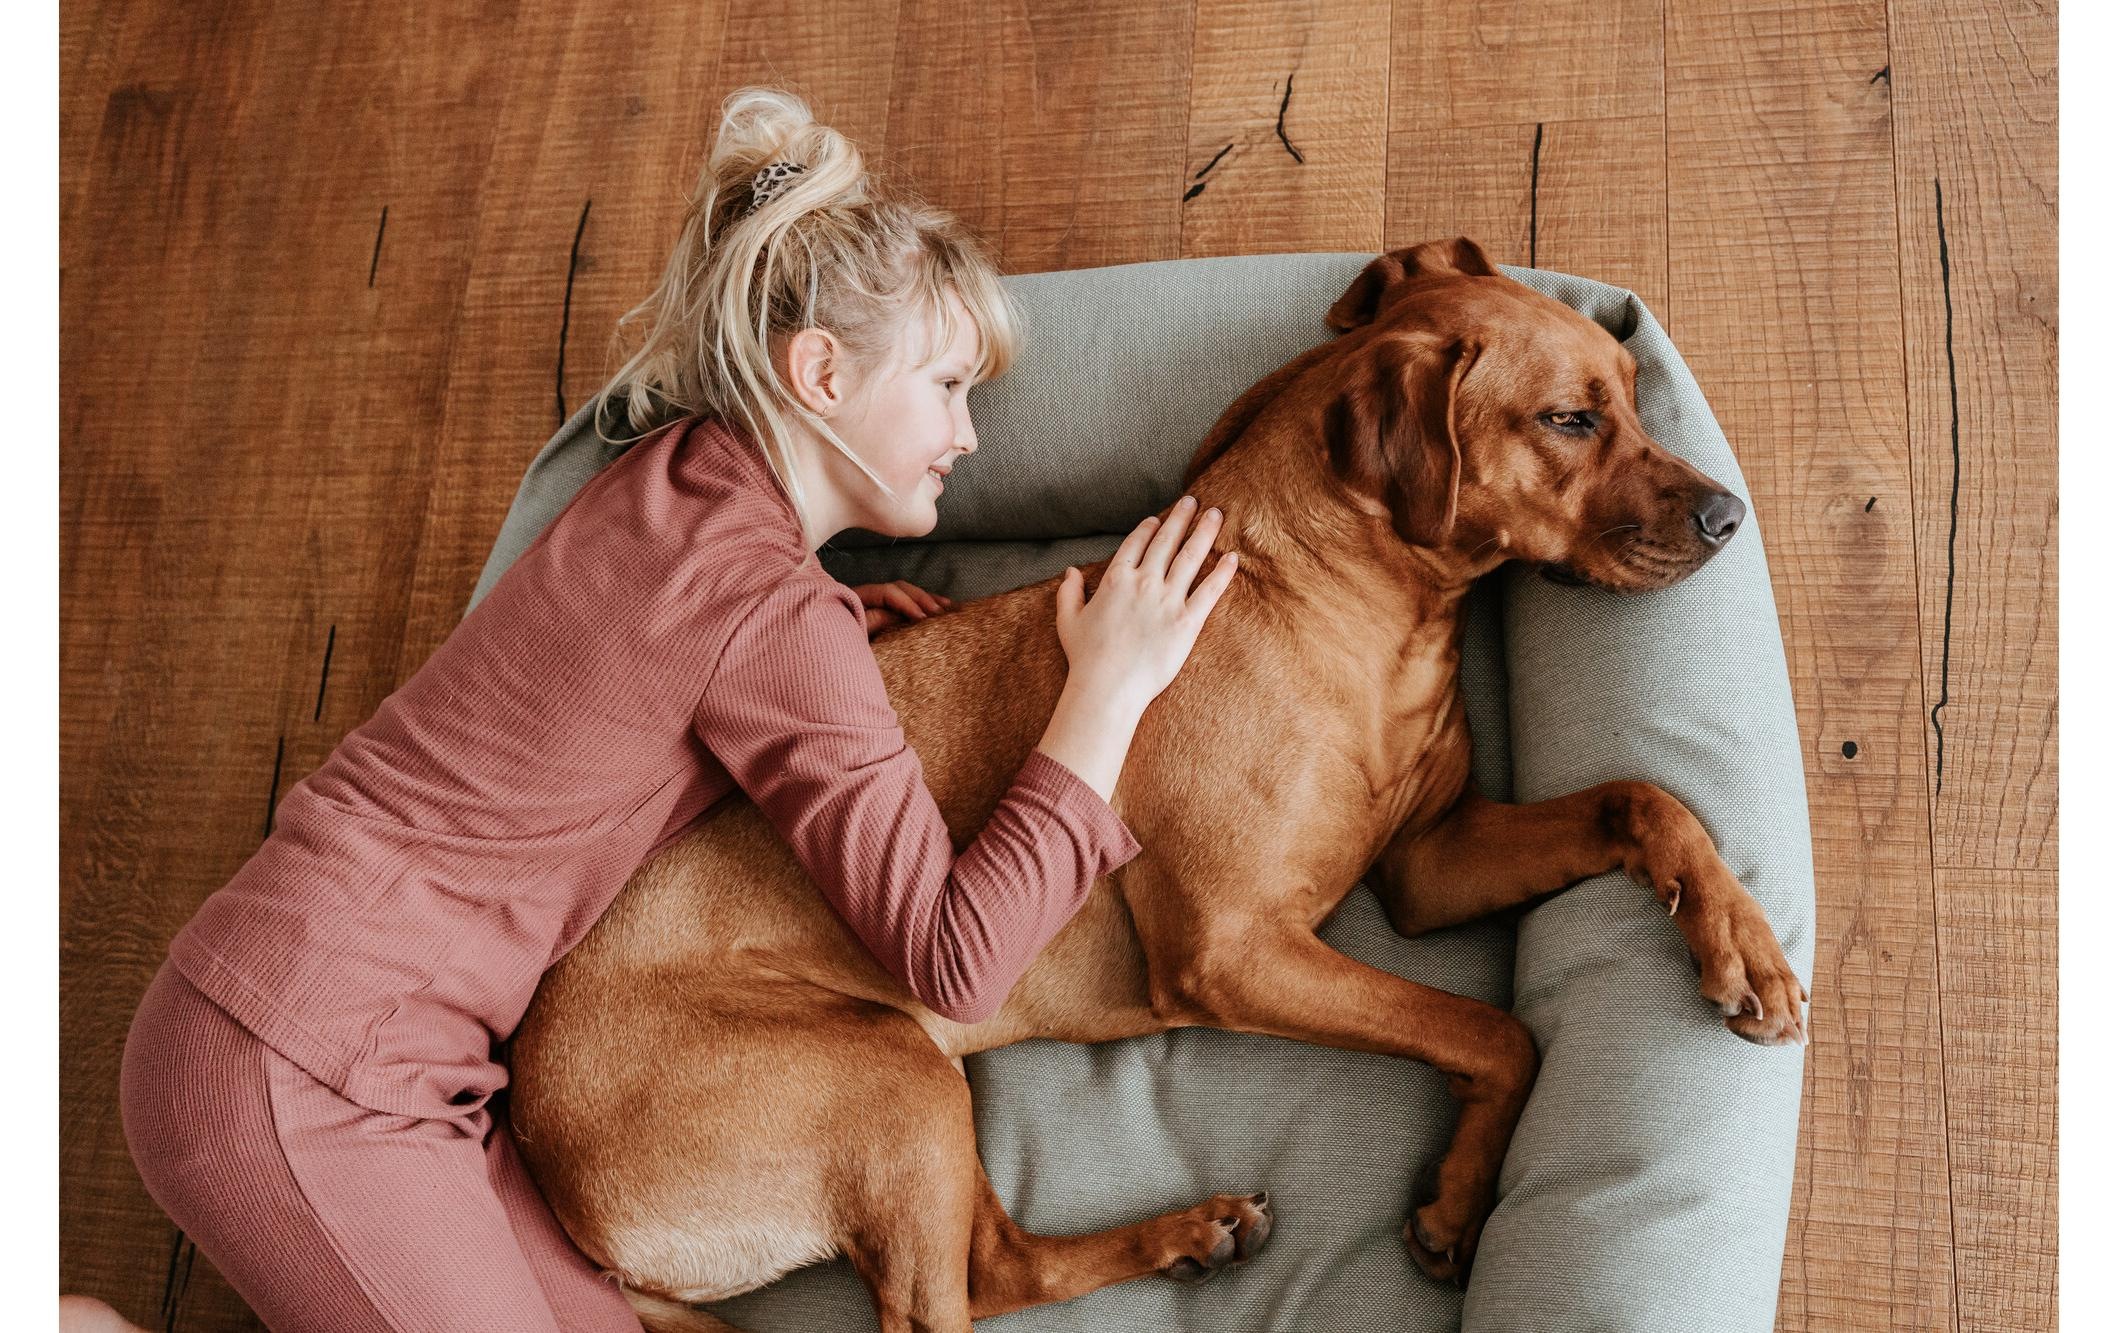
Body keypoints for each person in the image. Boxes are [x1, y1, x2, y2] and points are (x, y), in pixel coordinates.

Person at [94, 86, 1238, 1332]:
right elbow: (956, 963)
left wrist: (844, 627)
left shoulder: (673, 478)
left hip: (397, 1058)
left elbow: (630, 669)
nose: (969, 434)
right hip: (303, 1060)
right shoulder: (771, 614)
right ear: (821, 371)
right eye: (951, 386)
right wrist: (1107, 692)